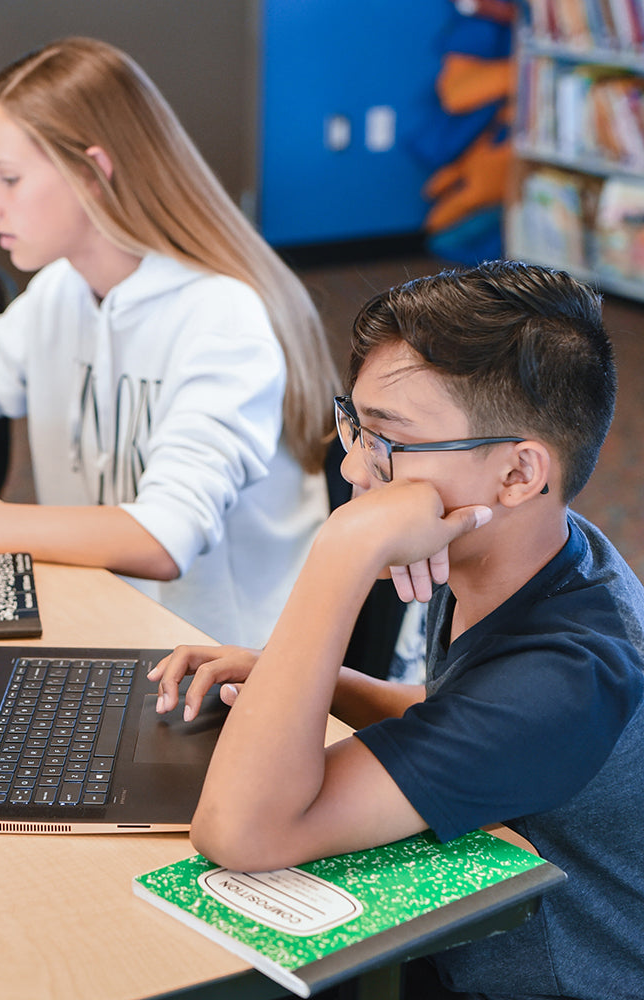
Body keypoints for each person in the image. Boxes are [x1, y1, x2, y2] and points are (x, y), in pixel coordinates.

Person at [152, 260, 644, 999]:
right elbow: (459, 716)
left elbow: (243, 832)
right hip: (467, 936)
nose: (354, 465)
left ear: (518, 474)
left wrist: (342, 552)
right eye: (356, 422)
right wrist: (300, 677)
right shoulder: (531, 550)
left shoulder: (569, 674)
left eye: (387, 438)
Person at [0, 36, 339, 649]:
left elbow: (163, 539)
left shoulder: (223, 318)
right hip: (109, 612)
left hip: (220, 657)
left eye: (9, 178)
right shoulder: (64, 290)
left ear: (93, 172)